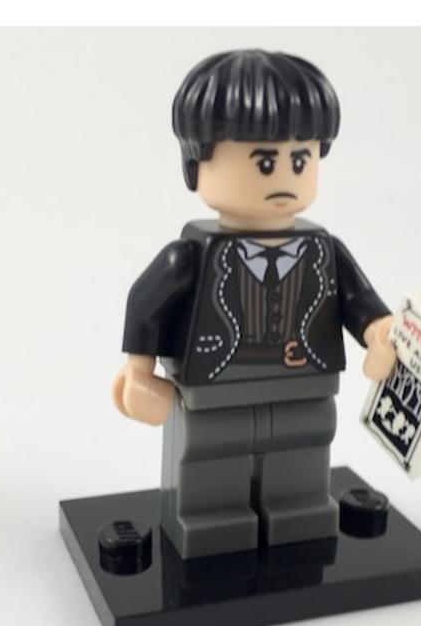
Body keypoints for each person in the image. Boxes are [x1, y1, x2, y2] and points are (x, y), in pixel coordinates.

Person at [112, 50, 397, 559]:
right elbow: (145, 302)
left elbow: (359, 300)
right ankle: (210, 519)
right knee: (210, 453)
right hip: (215, 387)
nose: (284, 175)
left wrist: (379, 332)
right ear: (197, 164)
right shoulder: (190, 257)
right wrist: (138, 374)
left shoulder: (323, 251)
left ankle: (299, 510)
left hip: (305, 383)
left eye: (300, 160)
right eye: (265, 162)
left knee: (304, 447)